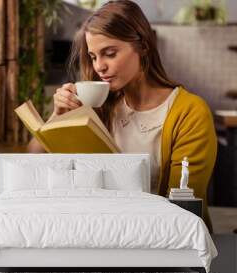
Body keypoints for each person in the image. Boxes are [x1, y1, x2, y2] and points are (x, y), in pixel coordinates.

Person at [27, 0, 217, 231]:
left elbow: (182, 207)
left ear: (143, 46)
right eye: (94, 56)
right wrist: (58, 116)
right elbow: (32, 160)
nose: (99, 67)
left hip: (166, 238)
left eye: (109, 53)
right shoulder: (100, 107)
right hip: (105, 233)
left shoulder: (189, 112)